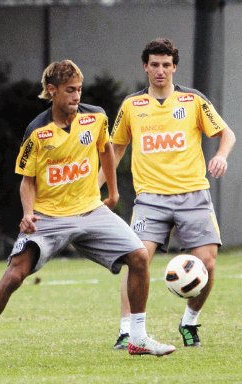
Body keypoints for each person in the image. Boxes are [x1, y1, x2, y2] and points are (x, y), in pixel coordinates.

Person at [0, 59, 176, 364]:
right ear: (52, 91)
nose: (76, 96)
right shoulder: (38, 131)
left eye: (79, 89)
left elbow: (106, 152)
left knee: (139, 257)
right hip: (48, 217)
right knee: (14, 276)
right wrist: (27, 213)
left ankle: (137, 338)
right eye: (70, 90)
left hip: (90, 210)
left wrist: (112, 192)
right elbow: (27, 181)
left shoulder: (96, 117)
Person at [99, 38, 236, 350]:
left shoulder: (193, 101)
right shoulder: (132, 106)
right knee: (138, 259)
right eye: (154, 64)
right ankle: (127, 331)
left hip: (193, 194)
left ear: (174, 67)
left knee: (208, 264)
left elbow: (227, 133)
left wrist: (221, 156)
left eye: (166, 65)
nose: (160, 70)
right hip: (150, 199)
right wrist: (93, 189)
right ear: (145, 67)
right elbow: (115, 149)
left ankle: (189, 322)